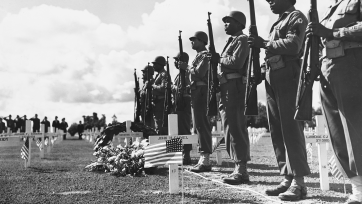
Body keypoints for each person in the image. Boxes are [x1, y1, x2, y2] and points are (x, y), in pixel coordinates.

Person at [248, 0, 310, 201]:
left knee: (291, 128)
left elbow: (293, 45)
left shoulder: (296, 16)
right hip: (273, 75)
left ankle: (299, 183)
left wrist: (264, 43)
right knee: (277, 129)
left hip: (288, 74)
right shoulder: (277, 22)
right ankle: (287, 177)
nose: (270, 2)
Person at [306, 1, 362, 203]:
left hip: (352, 62)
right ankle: (357, 188)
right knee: (337, 132)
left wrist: (332, 33)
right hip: (328, 67)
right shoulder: (332, 6)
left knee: (355, 129)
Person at [210, 11, 250, 184]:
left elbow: (236, 62)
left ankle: (241, 169)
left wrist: (219, 58)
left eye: (229, 22)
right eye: (224, 22)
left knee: (235, 127)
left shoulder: (242, 39)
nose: (225, 24)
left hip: (234, 88)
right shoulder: (232, 41)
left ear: (239, 24)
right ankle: (237, 167)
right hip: (227, 87)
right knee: (229, 127)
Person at [178, 31, 212, 172]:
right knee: (198, 126)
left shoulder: (205, 55)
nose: (192, 42)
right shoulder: (198, 57)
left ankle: (205, 159)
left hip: (201, 93)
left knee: (202, 124)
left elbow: (199, 73)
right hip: (195, 92)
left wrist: (187, 68)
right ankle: (202, 157)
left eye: (195, 39)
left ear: (203, 41)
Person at [173, 51, 193, 165]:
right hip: (177, 102)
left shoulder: (186, 73)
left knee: (184, 129)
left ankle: (186, 155)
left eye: (177, 60)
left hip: (184, 103)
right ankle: (175, 154)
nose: (175, 62)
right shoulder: (178, 74)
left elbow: (189, 86)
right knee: (174, 130)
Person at [151, 56, 168, 135]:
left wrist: (153, 86)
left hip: (161, 103)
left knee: (161, 125)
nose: (153, 66)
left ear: (160, 64)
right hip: (157, 102)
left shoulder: (163, 74)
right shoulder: (159, 75)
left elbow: (163, 88)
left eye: (155, 64)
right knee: (158, 124)